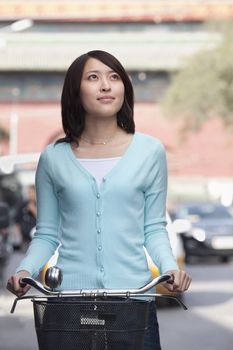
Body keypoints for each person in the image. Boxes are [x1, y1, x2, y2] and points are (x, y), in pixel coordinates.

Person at [7, 50, 191, 349]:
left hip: (134, 303)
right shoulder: (53, 158)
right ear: (75, 91)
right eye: (93, 77)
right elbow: (48, 232)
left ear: (124, 89)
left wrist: (170, 267)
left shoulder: (150, 151)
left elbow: (154, 227)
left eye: (114, 77)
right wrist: (24, 271)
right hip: (68, 304)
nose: (106, 86)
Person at [13, 185, 37, 251]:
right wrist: (17, 233)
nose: (30, 194)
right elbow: (17, 219)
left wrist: (34, 210)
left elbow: (44, 220)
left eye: (31, 192)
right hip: (24, 238)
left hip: (36, 238)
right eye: (28, 192)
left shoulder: (40, 204)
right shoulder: (23, 204)